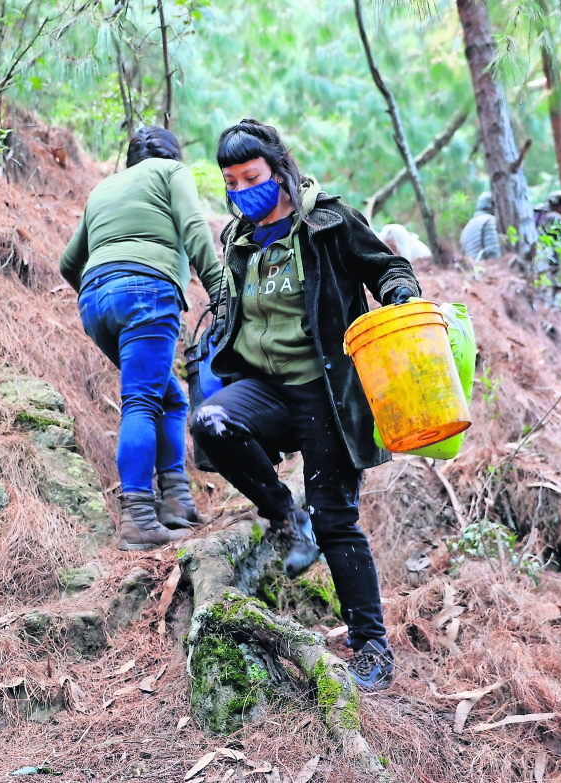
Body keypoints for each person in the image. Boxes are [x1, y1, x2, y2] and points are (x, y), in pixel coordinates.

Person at [189, 119, 420, 691]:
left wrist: (398, 295)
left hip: (325, 390)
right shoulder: (238, 240)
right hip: (266, 387)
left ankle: (372, 647)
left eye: (253, 177)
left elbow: (387, 266)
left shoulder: (328, 222)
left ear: (279, 170)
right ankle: (286, 518)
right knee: (211, 423)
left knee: (337, 518)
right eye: (232, 181)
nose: (243, 189)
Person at [60, 126, 224, 551]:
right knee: (141, 401)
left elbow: (67, 263)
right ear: (171, 153)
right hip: (147, 294)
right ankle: (137, 517)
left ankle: (176, 501)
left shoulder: (102, 190)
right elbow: (193, 227)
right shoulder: (171, 172)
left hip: (95, 302)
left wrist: (104, 287)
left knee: (169, 397)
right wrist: (222, 291)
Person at [460, 191, 501, 261]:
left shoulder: (468, 226)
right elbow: (493, 252)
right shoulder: (489, 220)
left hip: (470, 269)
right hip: (485, 268)